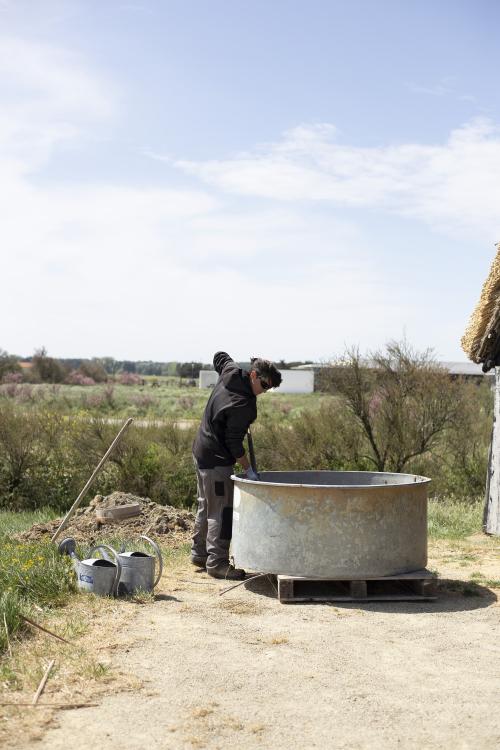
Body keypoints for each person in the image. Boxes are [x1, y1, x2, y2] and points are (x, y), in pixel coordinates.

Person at [191, 352, 282, 580]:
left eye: (268, 388)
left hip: (201, 451)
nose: (263, 390)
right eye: (263, 384)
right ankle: (217, 563)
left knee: (206, 504)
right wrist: (248, 468)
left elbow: (220, 356)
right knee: (221, 511)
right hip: (217, 460)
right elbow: (234, 444)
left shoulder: (230, 371)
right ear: (253, 375)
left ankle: (199, 553)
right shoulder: (243, 406)